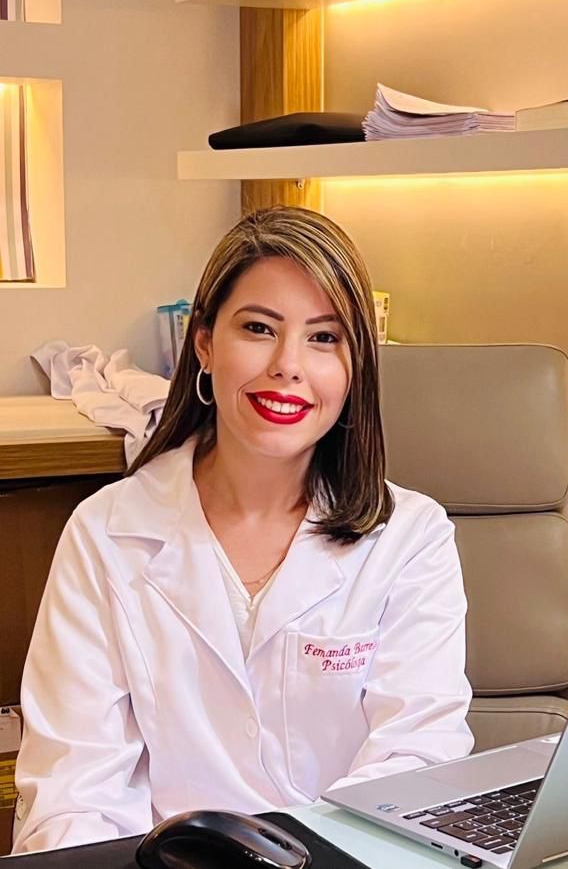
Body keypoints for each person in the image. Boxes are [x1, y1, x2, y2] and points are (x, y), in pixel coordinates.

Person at [13, 207, 474, 853]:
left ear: (355, 368)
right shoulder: (105, 535)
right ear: (204, 342)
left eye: (324, 338)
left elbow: (415, 762)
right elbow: (74, 791)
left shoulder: (409, 539)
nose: (288, 365)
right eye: (259, 328)